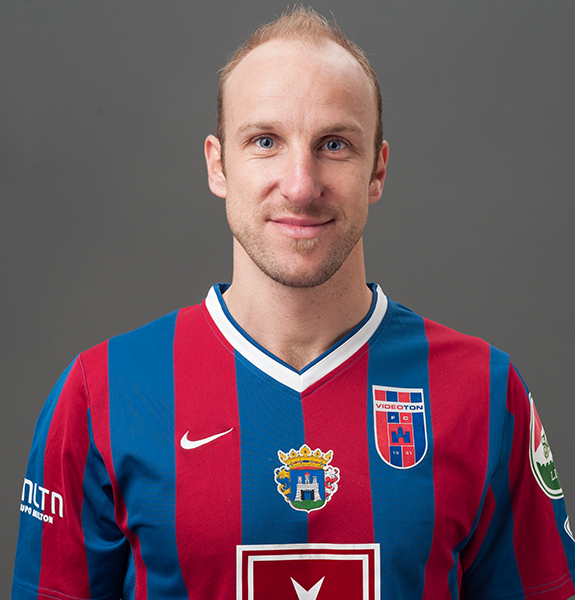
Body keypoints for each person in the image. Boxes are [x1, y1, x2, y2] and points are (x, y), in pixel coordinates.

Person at [12, 7, 575, 600]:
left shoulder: (484, 390)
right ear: (218, 165)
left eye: (335, 144)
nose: (301, 185)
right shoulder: (101, 393)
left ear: (378, 170)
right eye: (265, 141)